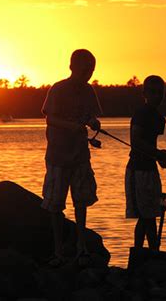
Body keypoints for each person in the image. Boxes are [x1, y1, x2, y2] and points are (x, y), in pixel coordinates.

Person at [41, 49, 102, 266]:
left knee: (81, 201)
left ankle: (81, 247)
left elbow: (92, 115)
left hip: (79, 156)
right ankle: (58, 250)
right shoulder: (58, 89)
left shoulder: (89, 91)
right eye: (85, 68)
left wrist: (93, 122)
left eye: (91, 69)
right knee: (55, 204)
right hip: (58, 155)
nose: (88, 73)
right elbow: (51, 119)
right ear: (72, 67)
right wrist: (73, 126)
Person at [125, 75, 166, 251]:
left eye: (160, 93)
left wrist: (159, 158)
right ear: (144, 93)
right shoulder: (140, 114)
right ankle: (146, 252)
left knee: (150, 214)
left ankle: (150, 252)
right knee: (146, 216)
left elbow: (150, 144)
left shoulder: (160, 119)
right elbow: (136, 141)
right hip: (137, 170)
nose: (157, 96)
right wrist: (158, 154)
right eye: (152, 92)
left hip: (150, 169)